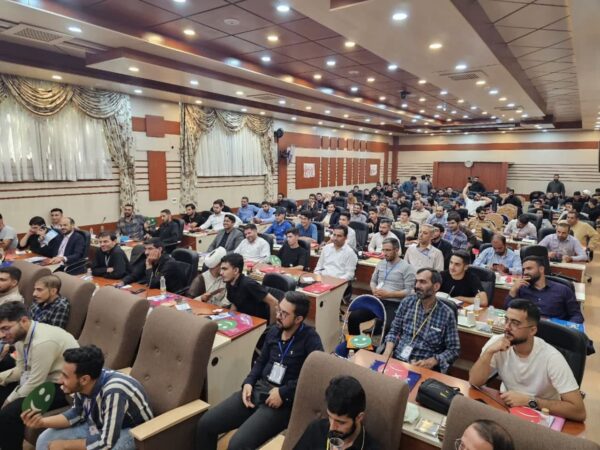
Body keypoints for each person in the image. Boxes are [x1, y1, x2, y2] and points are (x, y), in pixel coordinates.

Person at [195, 292, 323, 450]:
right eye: (278, 309)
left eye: (284, 313)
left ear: (298, 319)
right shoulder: (274, 331)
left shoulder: (310, 339)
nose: (278, 315)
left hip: (281, 401)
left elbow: (315, 375)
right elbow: (260, 361)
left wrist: (284, 393)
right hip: (258, 389)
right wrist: (248, 382)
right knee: (205, 424)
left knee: (237, 445)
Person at [469, 299, 586, 422]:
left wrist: (529, 401)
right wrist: (489, 352)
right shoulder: (497, 342)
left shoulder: (552, 358)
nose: (507, 327)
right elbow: (474, 382)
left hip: (542, 414)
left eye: (515, 323)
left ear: (532, 330)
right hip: (507, 407)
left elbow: (579, 411)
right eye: (506, 320)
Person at [27, 345, 153, 450]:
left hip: (130, 431)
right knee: (45, 440)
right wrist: (42, 422)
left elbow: (107, 442)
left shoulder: (115, 392)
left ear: (84, 379)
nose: (60, 380)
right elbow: (77, 413)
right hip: (98, 424)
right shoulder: (85, 382)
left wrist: (64, 445)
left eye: (65, 376)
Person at [0, 301, 78, 450]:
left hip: (63, 387)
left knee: (9, 413)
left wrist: (9, 400)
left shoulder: (42, 342)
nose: (2, 335)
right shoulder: (19, 337)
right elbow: (22, 370)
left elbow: (35, 382)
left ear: (23, 321)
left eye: (5, 328)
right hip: (40, 379)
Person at [382, 268, 460, 373]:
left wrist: (433, 361)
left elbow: (454, 350)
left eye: (422, 282)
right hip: (398, 359)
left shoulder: (446, 314)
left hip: (423, 367)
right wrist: (387, 352)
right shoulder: (407, 302)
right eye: (416, 281)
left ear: (436, 287)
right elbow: (394, 331)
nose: (417, 286)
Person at [294, 375, 381, 450]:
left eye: (341, 422)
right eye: (330, 417)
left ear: (359, 417)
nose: (332, 427)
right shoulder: (316, 429)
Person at [348, 238, 415, 334]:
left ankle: (384, 343)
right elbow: (373, 281)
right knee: (353, 317)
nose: (384, 253)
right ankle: (356, 343)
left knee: (389, 327)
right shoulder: (380, 263)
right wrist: (374, 290)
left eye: (388, 250)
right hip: (378, 300)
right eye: (383, 250)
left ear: (396, 250)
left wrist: (389, 294)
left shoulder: (407, 267)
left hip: (394, 303)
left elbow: (409, 291)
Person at [505, 256, 583, 323]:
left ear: (541, 269)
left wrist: (566, 328)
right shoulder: (522, 288)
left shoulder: (563, 290)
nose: (525, 272)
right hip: (527, 328)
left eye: (529, 268)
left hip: (555, 329)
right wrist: (513, 290)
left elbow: (577, 316)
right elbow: (507, 310)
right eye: (524, 269)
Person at [221, 253, 278, 323]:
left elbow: (274, 302)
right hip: (249, 319)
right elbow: (235, 303)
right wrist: (229, 321)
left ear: (236, 270)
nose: (221, 273)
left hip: (264, 319)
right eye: (221, 269)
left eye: (225, 269)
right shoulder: (229, 283)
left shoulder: (248, 284)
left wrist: (271, 327)